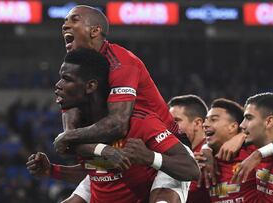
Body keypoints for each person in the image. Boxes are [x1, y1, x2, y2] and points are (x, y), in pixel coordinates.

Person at [28, 49, 199, 203]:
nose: (58, 85)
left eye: (66, 79)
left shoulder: (140, 121)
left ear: (91, 86)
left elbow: (192, 170)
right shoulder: (77, 127)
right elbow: (97, 173)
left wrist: (149, 157)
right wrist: (52, 170)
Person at [54, 5, 179, 155]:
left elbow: (117, 125)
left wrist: (69, 137)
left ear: (95, 31)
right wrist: (71, 138)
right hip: (129, 147)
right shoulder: (74, 66)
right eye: (65, 21)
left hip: (164, 144)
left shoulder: (121, 63)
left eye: (74, 20)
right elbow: (70, 119)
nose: (65, 26)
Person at [196, 98, 257, 202]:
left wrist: (243, 135)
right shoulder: (202, 160)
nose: (205, 124)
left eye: (213, 119)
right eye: (206, 120)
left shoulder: (254, 153)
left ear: (233, 126)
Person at [168, 95, 211, 203]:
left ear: (197, 123)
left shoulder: (214, 152)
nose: (168, 127)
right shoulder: (173, 153)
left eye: (176, 121)